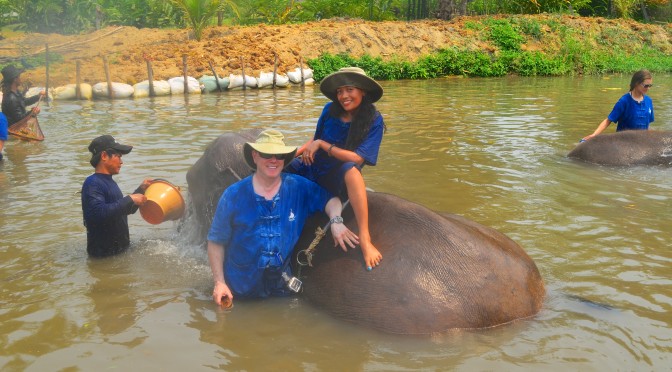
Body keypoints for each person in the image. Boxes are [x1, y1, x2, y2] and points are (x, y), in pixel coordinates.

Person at [207, 129, 358, 305]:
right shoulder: (233, 195)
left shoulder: (298, 187)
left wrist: (336, 221)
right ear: (255, 156)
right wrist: (219, 283)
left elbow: (331, 200)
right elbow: (216, 242)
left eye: (279, 155)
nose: (273, 160)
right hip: (239, 289)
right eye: (266, 154)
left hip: (280, 288)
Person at [286, 66, 385, 271]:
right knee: (277, 172)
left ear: (362, 91)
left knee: (351, 169)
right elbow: (315, 139)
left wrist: (324, 146)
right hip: (312, 166)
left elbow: (358, 158)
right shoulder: (328, 110)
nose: (343, 96)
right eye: (340, 91)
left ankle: (365, 238)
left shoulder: (374, 120)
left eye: (349, 89)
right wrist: (288, 156)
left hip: (337, 176)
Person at [81, 135, 150, 258]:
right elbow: (98, 214)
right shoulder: (92, 183)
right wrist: (130, 199)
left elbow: (123, 210)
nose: (121, 162)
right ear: (104, 156)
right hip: (104, 258)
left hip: (119, 253)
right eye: (118, 156)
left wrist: (141, 189)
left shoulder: (110, 182)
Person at [582, 69, 654, 141]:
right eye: (646, 86)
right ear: (636, 83)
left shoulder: (649, 101)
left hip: (642, 142)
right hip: (623, 143)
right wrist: (594, 135)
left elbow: (648, 124)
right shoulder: (624, 101)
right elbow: (608, 120)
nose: (648, 88)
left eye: (650, 86)